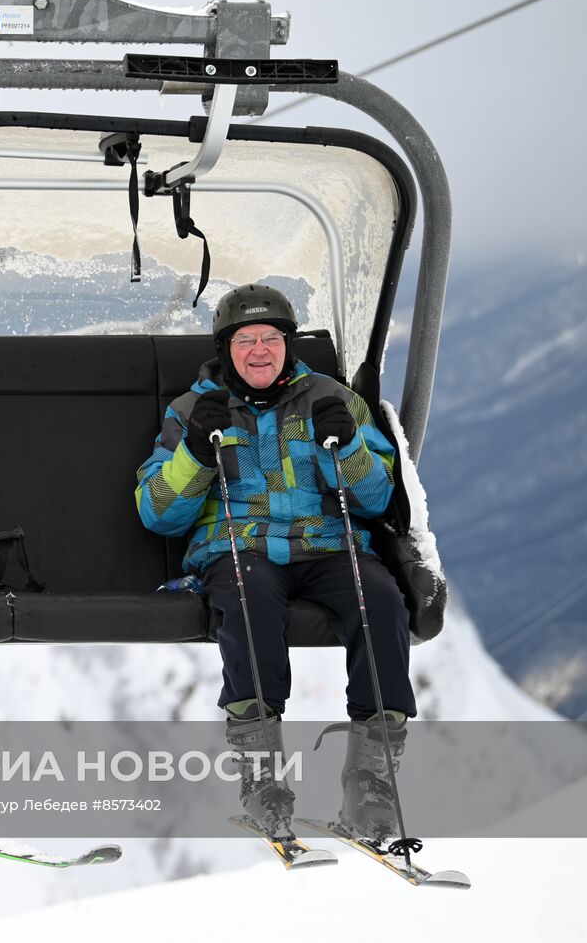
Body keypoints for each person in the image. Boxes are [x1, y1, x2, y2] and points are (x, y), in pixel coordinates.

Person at [135, 283, 415, 843]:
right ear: (226, 349)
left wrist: (349, 449)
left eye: (271, 338)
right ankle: (261, 774)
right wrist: (195, 452)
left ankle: (372, 778)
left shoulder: (333, 400)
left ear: (289, 344)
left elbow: (378, 501)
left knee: (381, 602)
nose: (259, 350)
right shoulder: (192, 411)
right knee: (248, 598)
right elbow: (157, 514)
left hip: (328, 545)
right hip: (241, 548)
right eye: (246, 340)